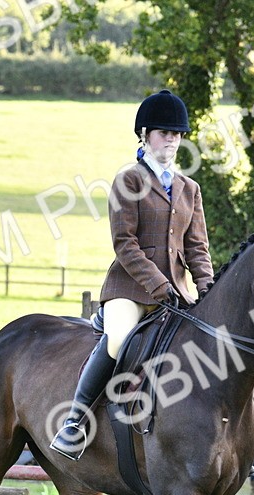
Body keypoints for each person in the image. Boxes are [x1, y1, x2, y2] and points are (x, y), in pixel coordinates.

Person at [50, 89, 214, 460]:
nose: (171, 140)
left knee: (208, 342)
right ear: (144, 135)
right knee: (119, 339)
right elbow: (125, 244)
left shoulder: (190, 189)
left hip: (177, 293)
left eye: (176, 134)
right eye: (163, 133)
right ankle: (75, 422)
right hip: (130, 289)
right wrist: (159, 284)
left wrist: (207, 287)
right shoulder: (129, 181)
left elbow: (197, 248)